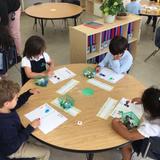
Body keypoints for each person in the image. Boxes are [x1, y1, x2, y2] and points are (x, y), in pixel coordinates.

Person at [0, 79, 50, 160]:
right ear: (7, 103)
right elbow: (13, 145)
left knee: (37, 140)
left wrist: (29, 93)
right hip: (12, 150)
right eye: (16, 98)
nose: (17, 99)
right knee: (45, 152)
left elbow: (17, 103)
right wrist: (30, 128)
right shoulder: (5, 126)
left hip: (14, 136)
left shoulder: (4, 108)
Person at [112, 87, 160, 160]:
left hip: (150, 148)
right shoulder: (157, 110)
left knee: (124, 145)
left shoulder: (151, 127)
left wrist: (115, 124)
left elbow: (130, 136)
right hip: (154, 141)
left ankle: (127, 157)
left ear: (148, 110)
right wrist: (144, 101)